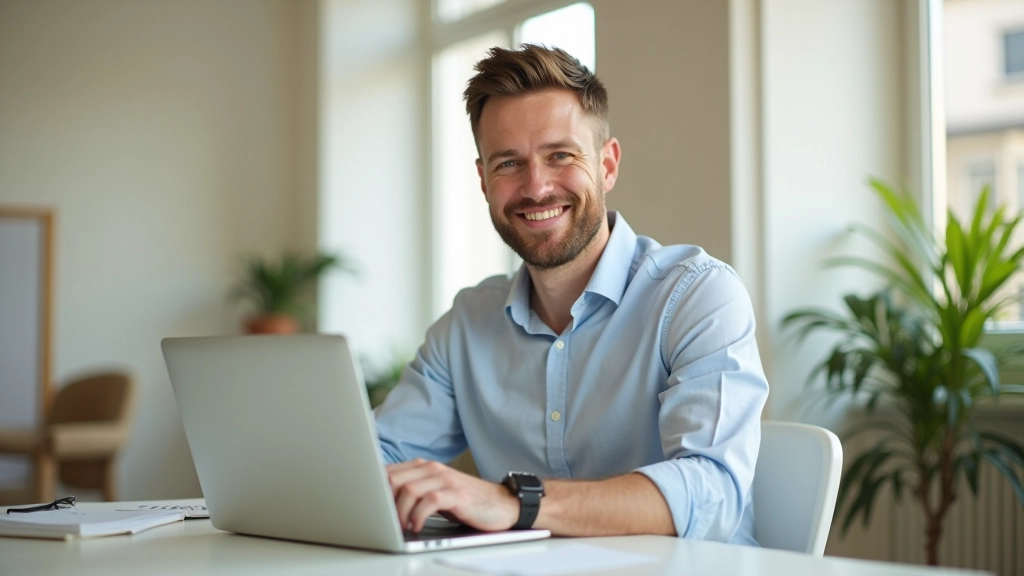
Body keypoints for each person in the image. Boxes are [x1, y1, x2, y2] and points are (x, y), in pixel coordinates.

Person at [374, 44, 768, 545]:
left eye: (560, 155)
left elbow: (711, 489)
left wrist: (513, 503)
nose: (536, 188)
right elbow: (376, 457)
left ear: (607, 165)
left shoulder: (698, 295)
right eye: (508, 163)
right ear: (482, 180)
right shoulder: (467, 323)